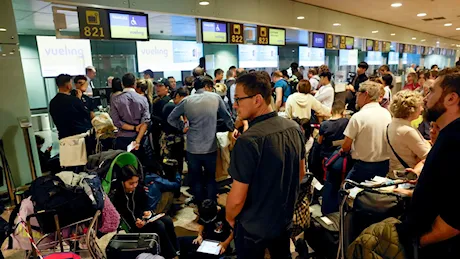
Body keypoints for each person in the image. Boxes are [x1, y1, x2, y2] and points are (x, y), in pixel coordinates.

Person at [226, 72, 306, 260]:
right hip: (283, 220)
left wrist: (230, 217)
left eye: (238, 99)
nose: (235, 105)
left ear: (257, 100)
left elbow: (237, 199)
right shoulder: (294, 128)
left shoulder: (248, 141)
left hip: (252, 227)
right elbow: (300, 173)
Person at [393, 68, 460, 258]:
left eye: (431, 91)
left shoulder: (455, 141)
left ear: (450, 99)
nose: (424, 97)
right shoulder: (447, 136)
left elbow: (454, 217)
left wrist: (420, 242)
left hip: (438, 247)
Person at [167, 76, 233, 204]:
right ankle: (211, 204)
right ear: (207, 86)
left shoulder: (186, 101)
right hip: (210, 146)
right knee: (210, 177)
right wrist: (233, 128)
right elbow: (227, 117)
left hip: (193, 147)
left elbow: (171, 118)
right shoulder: (215, 98)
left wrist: (182, 127)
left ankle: (199, 204)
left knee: (196, 178)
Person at [109, 165, 179, 259]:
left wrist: (146, 213)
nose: (134, 185)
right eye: (131, 183)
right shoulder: (117, 194)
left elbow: (143, 204)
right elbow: (123, 214)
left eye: (136, 182)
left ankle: (176, 250)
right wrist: (137, 221)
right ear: (123, 181)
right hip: (131, 224)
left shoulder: (138, 188)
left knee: (167, 220)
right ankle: (170, 255)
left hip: (142, 218)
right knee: (159, 225)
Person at [341, 81, 392, 183]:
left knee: (346, 192)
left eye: (358, 94)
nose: (357, 97)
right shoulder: (387, 114)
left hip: (363, 166)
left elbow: (346, 146)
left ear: (365, 95)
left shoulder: (358, 117)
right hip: (384, 164)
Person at [386, 90, 431, 178]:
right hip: (408, 176)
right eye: (420, 106)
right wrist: (428, 144)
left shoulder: (392, 125)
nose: (422, 109)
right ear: (411, 109)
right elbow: (427, 156)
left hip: (395, 173)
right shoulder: (407, 131)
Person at [110, 73, 150, 152]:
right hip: (140, 138)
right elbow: (146, 121)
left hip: (122, 138)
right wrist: (138, 140)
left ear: (122, 84)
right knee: (141, 163)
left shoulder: (115, 100)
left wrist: (133, 128)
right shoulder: (143, 99)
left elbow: (116, 122)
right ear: (135, 84)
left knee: (124, 162)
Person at [49, 74, 92, 139]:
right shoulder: (73, 100)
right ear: (68, 85)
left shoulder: (52, 102)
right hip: (79, 136)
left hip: (63, 136)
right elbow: (86, 114)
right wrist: (79, 100)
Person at [161, 87, 189, 176]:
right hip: (172, 139)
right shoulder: (171, 107)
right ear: (177, 96)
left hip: (172, 138)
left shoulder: (170, 105)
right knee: (173, 163)